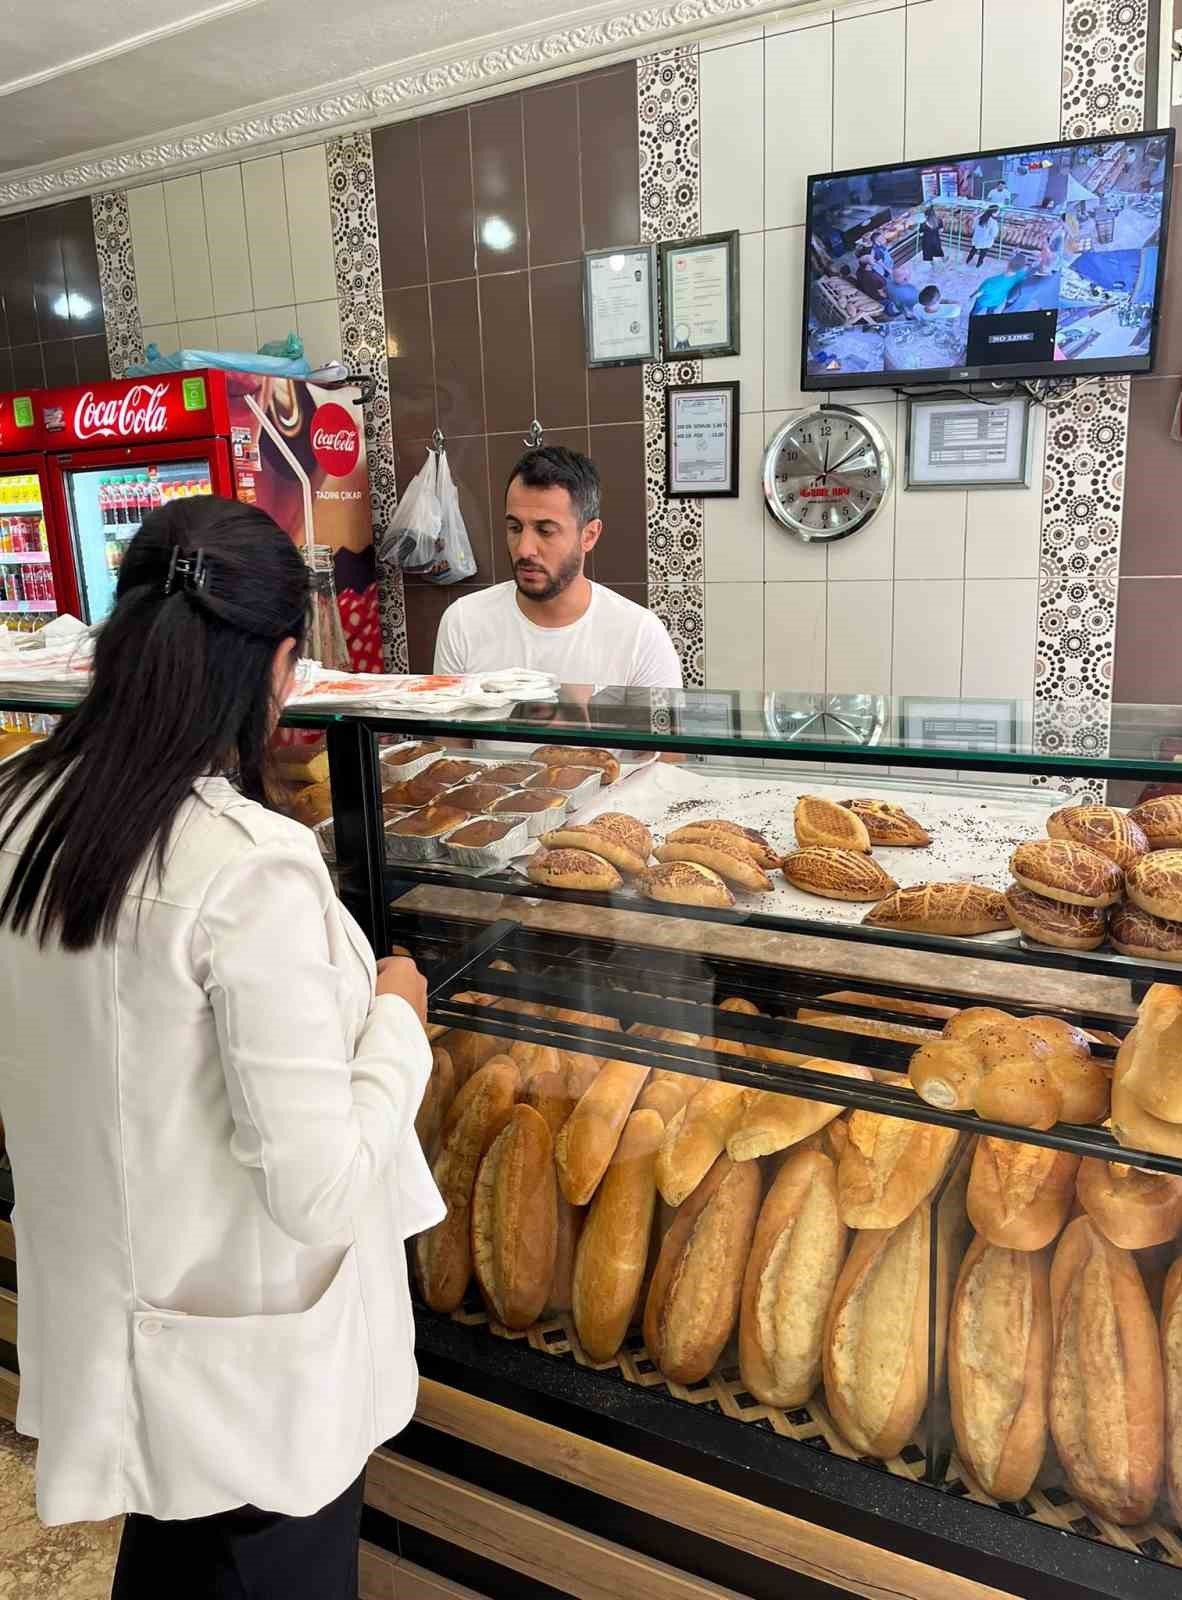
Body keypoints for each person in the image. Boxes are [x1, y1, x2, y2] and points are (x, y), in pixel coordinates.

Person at [0, 496, 439, 1599]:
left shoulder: (19, 810)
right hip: (254, 1396)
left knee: (172, 1558)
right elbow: (324, 1189)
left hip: (120, 1342)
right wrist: (399, 1020)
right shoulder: (247, 870)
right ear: (280, 665)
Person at [434, 446, 683, 689]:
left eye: (545, 531)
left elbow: (661, 730)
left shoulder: (640, 637)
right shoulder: (463, 623)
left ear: (589, 535)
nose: (524, 549)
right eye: (515, 528)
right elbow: (447, 731)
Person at [918, 206, 945, 276]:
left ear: (926, 216)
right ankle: (943, 259)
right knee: (939, 250)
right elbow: (941, 231)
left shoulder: (923, 224)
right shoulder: (939, 221)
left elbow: (921, 234)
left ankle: (933, 265)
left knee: (929, 254)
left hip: (927, 242)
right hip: (936, 240)